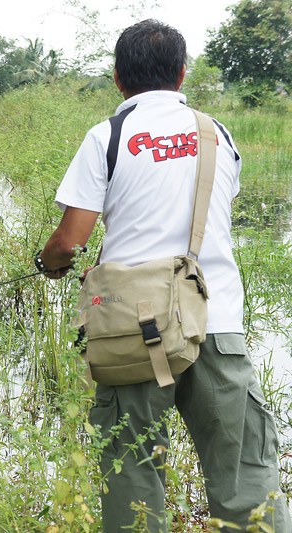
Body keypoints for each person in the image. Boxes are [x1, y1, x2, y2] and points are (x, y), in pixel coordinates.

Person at [35, 19, 291, 532]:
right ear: (181, 74)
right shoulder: (214, 132)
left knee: (132, 474)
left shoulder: (108, 136)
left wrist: (49, 264)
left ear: (117, 78)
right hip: (217, 324)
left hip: (135, 331)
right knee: (245, 478)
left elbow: (70, 240)